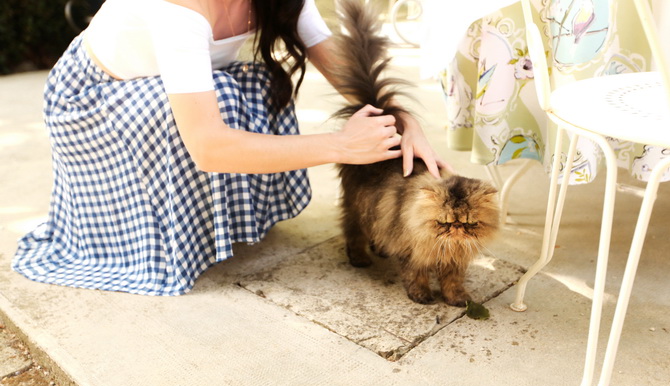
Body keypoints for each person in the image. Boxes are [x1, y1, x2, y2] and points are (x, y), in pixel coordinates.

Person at [11, 0, 448, 295]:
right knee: (206, 104)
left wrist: (405, 123)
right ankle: (158, 234)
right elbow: (209, 147)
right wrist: (341, 145)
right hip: (92, 102)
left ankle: (214, 223)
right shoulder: (178, 9)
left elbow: (343, 66)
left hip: (159, 90)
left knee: (255, 83)